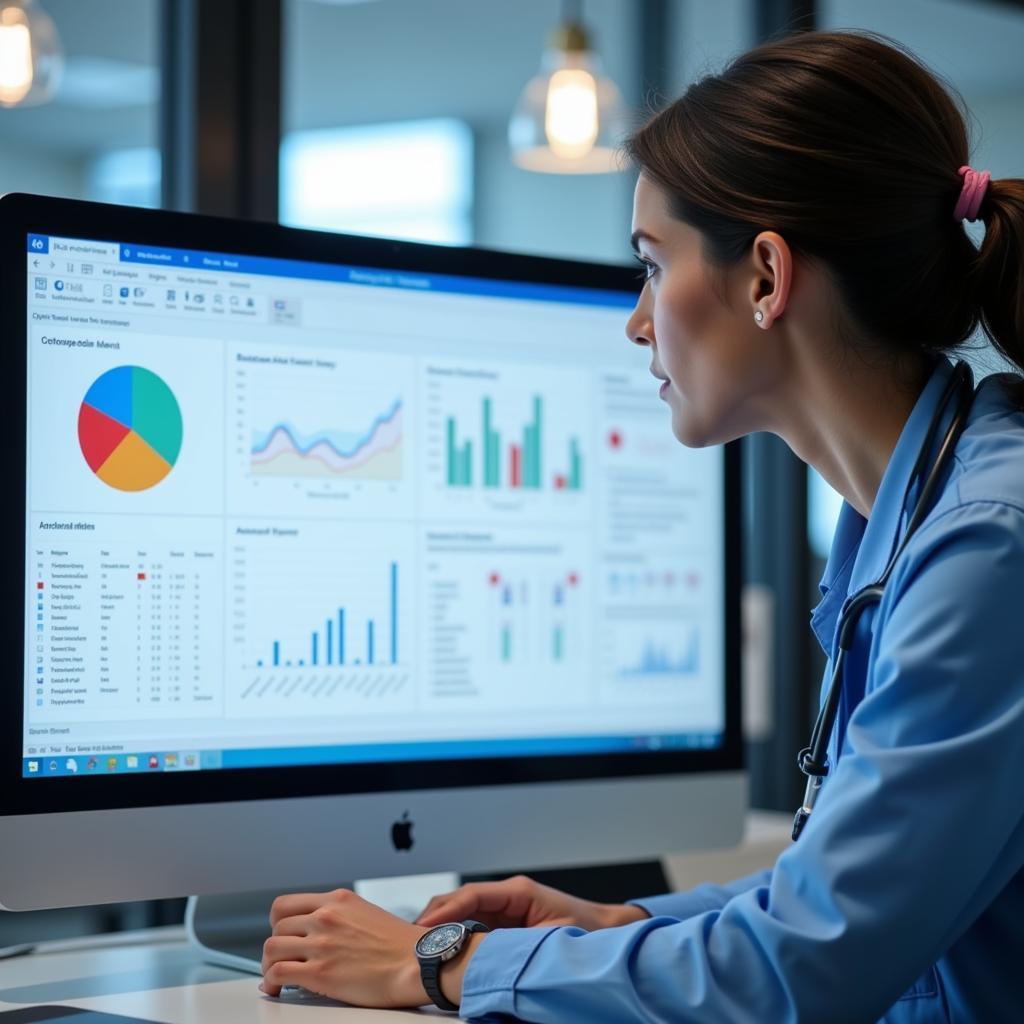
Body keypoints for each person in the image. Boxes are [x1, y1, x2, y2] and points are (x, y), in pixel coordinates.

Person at [259, 29, 1024, 1022]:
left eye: (652, 265)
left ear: (763, 276)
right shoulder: (909, 511)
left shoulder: (984, 544)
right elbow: (838, 899)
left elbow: (802, 971)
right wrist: (617, 924)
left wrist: (442, 960)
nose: (635, 320)